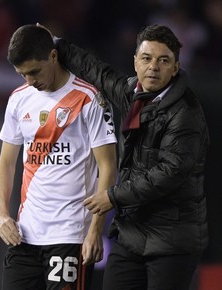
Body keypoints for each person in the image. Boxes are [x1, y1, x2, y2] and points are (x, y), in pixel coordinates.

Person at [53, 24, 210, 290]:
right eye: (147, 58)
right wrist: (55, 43)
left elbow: (168, 174)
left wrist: (112, 197)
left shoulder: (186, 113)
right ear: (135, 61)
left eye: (163, 60)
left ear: (175, 67)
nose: (154, 67)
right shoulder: (132, 94)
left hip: (172, 240)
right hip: (131, 235)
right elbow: (96, 71)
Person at [0, 24, 117, 290]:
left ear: (52, 56)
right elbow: (6, 162)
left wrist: (96, 230)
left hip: (70, 236)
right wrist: (2, 214)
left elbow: (108, 166)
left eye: (34, 72)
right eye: (22, 74)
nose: (30, 82)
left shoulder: (89, 98)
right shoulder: (18, 99)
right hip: (24, 236)